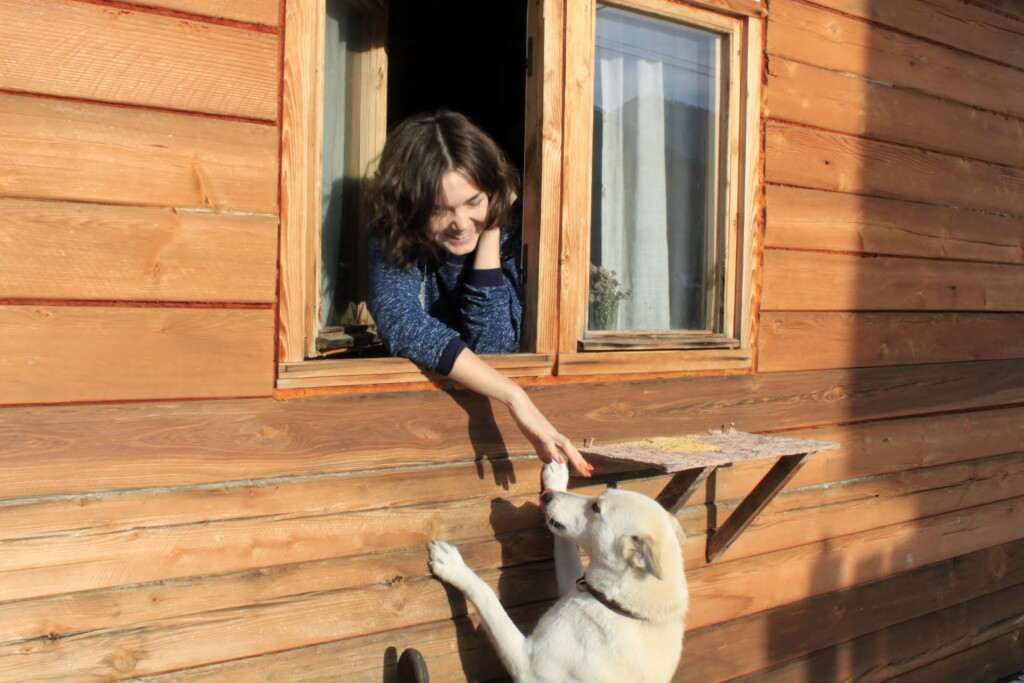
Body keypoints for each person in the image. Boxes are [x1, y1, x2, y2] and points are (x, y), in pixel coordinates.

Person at [366, 110, 592, 477]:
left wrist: (491, 233)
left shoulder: (519, 232)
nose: (460, 224)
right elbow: (400, 320)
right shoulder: (395, 231)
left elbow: (495, 348)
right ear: (411, 206)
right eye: (440, 210)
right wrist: (514, 396)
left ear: (493, 191)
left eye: (474, 202)